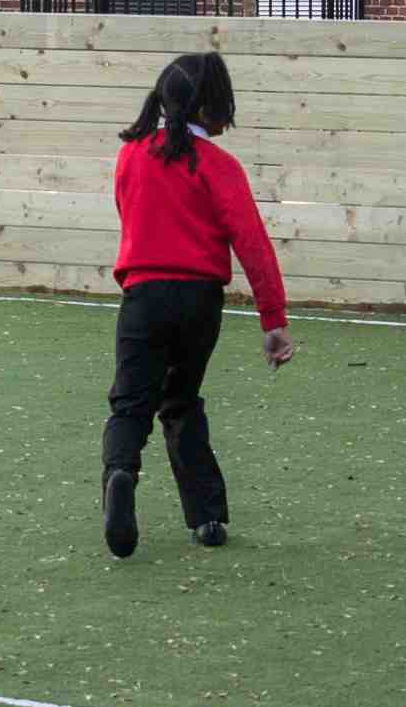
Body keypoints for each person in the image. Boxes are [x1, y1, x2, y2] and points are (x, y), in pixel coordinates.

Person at [104, 47, 289, 557]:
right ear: (213, 109)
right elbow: (252, 243)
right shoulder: (220, 165)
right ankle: (206, 517)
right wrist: (272, 320)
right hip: (199, 302)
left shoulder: (131, 155)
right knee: (181, 402)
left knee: (130, 405)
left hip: (143, 295)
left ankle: (120, 475)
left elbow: (126, 210)